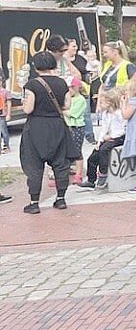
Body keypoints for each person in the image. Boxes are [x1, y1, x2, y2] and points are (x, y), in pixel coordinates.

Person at [20, 52, 81, 214]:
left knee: (34, 166)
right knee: (61, 164)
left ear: (36, 66)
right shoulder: (61, 83)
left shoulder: (32, 84)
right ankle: (60, 199)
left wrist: (24, 102)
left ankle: (34, 203)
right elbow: (67, 105)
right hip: (57, 125)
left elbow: (28, 108)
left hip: (36, 128)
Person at [78, 90, 126, 190]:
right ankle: (91, 180)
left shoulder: (119, 113)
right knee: (94, 155)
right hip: (108, 137)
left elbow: (123, 129)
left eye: (102, 102)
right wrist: (99, 141)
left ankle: (103, 174)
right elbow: (104, 128)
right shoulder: (106, 114)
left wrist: (111, 136)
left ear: (109, 102)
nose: (99, 105)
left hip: (119, 137)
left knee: (104, 150)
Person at [65, 77, 88, 184]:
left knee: (77, 150)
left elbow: (72, 114)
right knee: (65, 150)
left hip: (77, 127)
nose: (69, 91)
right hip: (67, 126)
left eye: (71, 88)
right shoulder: (67, 98)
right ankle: (65, 171)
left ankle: (78, 173)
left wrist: (61, 110)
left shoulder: (81, 100)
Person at [0, 81, 10, 153]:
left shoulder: (5, 91)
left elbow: (9, 103)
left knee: (4, 131)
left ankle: (6, 147)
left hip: (2, 114)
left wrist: (8, 114)